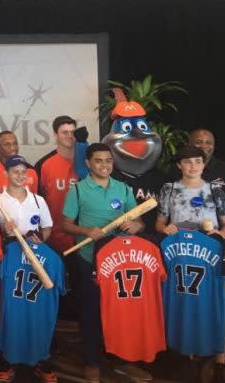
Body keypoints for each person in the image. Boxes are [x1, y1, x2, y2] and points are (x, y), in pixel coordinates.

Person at [61, 143, 147, 383]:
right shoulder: (78, 190)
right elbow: (66, 224)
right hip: (89, 259)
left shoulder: (123, 188)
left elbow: (138, 221)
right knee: (91, 312)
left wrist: (136, 225)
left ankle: (121, 360)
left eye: (108, 160)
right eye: (99, 161)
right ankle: (91, 361)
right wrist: (86, 230)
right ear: (88, 163)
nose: (105, 165)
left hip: (120, 262)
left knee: (121, 312)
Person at [156, 145, 225, 236]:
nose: (193, 166)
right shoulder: (169, 189)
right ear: (179, 165)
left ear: (203, 165)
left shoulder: (215, 190)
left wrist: (221, 234)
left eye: (198, 162)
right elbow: (159, 223)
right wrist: (164, 229)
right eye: (187, 162)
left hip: (209, 244)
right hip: (179, 243)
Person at [35, 116, 78, 251]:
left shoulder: (87, 162)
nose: (69, 136)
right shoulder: (44, 164)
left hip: (82, 236)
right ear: (55, 134)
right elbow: (37, 201)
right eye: (64, 132)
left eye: (73, 132)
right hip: (53, 237)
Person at [0, 155, 52, 243]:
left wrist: (40, 240)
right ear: (6, 173)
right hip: (9, 253)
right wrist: (4, 230)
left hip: (33, 252)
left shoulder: (39, 201)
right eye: (15, 172)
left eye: (24, 172)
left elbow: (47, 227)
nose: (20, 176)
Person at [0, 131, 38, 207]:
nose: (12, 148)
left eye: (15, 143)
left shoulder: (31, 170)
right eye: (7, 144)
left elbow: (37, 200)